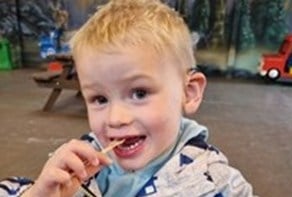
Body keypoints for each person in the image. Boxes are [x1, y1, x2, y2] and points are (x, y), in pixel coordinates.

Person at [0, 0, 255, 196]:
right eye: (99, 99)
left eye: (139, 93)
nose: (115, 119)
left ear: (189, 92)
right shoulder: (76, 166)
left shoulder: (218, 184)